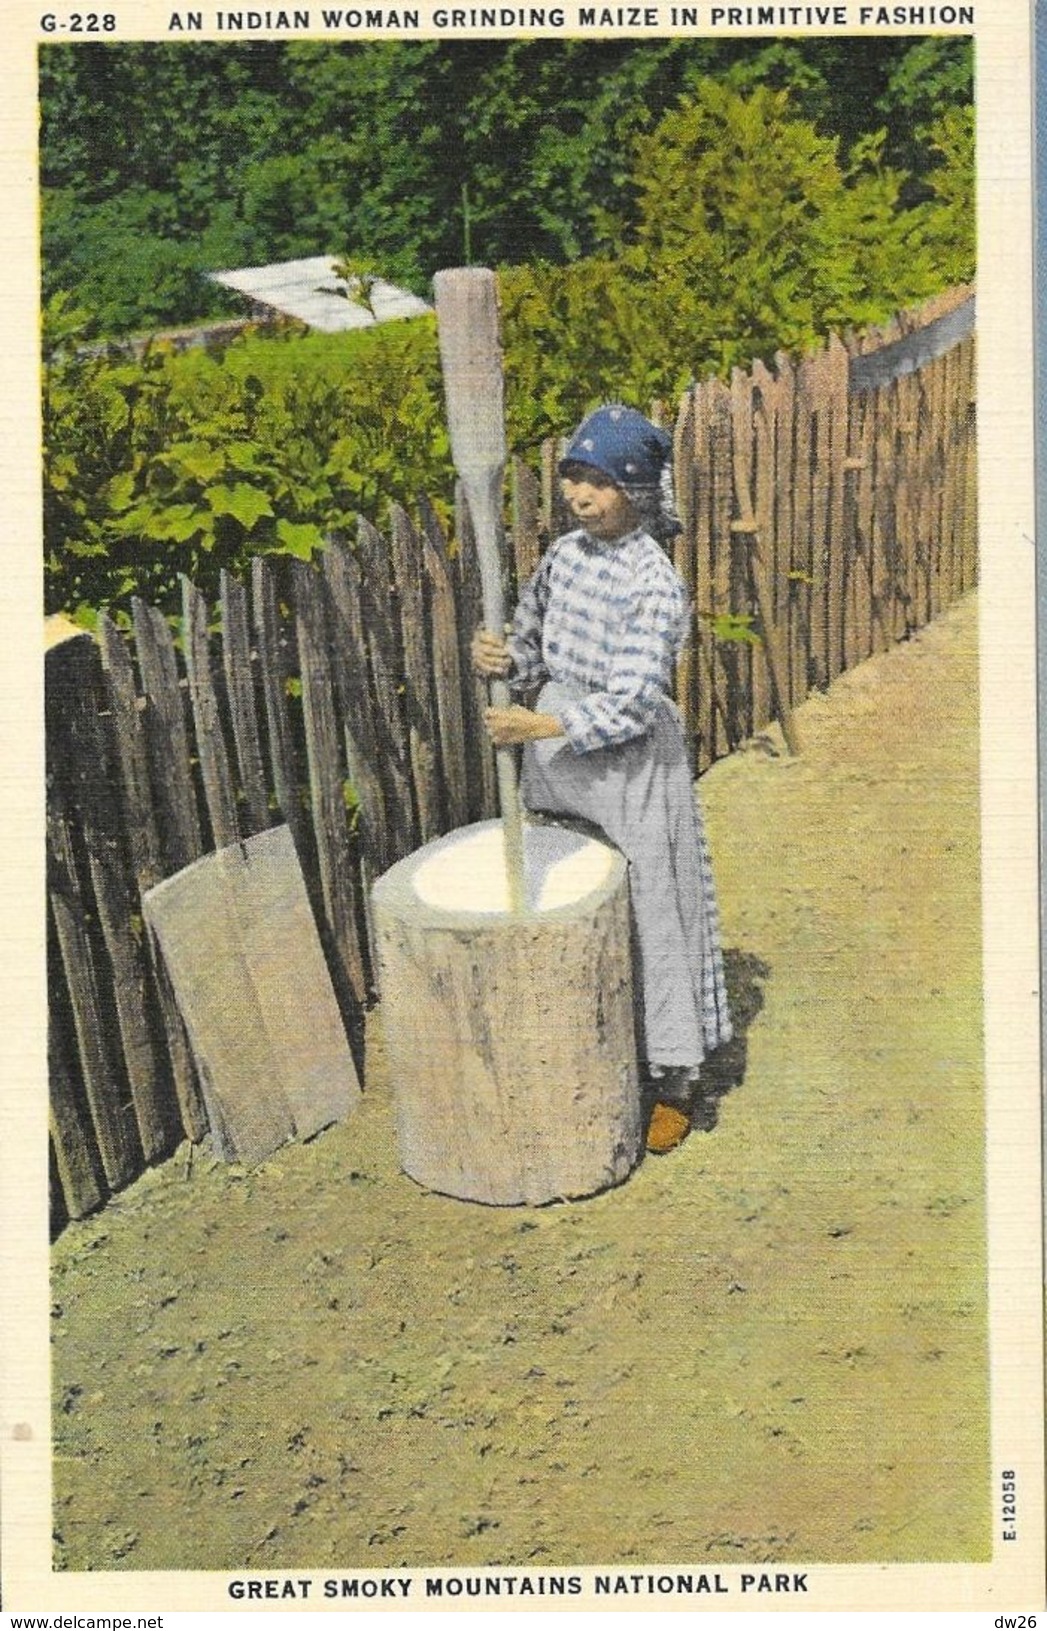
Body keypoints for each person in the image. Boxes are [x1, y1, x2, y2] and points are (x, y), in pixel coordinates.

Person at [471, 404, 732, 1155]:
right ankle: (585, 1043)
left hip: (623, 762)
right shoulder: (562, 556)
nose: (581, 496)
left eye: (601, 483)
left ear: (638, 491)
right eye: (574, 478)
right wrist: (501, 662)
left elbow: (631, 700)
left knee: (652, 905)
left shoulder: (654, 582)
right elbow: (529, 646)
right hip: (555, 753)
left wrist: (539, 727)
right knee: (563, 888)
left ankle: (674, 1077)